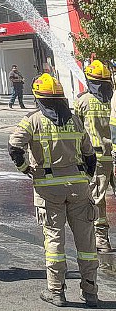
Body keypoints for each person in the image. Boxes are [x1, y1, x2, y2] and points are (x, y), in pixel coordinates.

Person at [8, 73, 98, 308]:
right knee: (86, 242)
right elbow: (90, 155)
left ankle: (56, 291)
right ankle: (90, 292)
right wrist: (85, 178)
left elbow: (14, 146)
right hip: (79, 188)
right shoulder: (75, 121)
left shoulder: (32, 120)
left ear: (39, 98)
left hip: (49, 190)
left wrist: (26, 168)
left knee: (55, 240)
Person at [74, 60, 113, 253]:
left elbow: (78, 131)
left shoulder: (83, 101)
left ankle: (101, 239)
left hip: (98, 158)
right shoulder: (114, 99)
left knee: (98, 198)